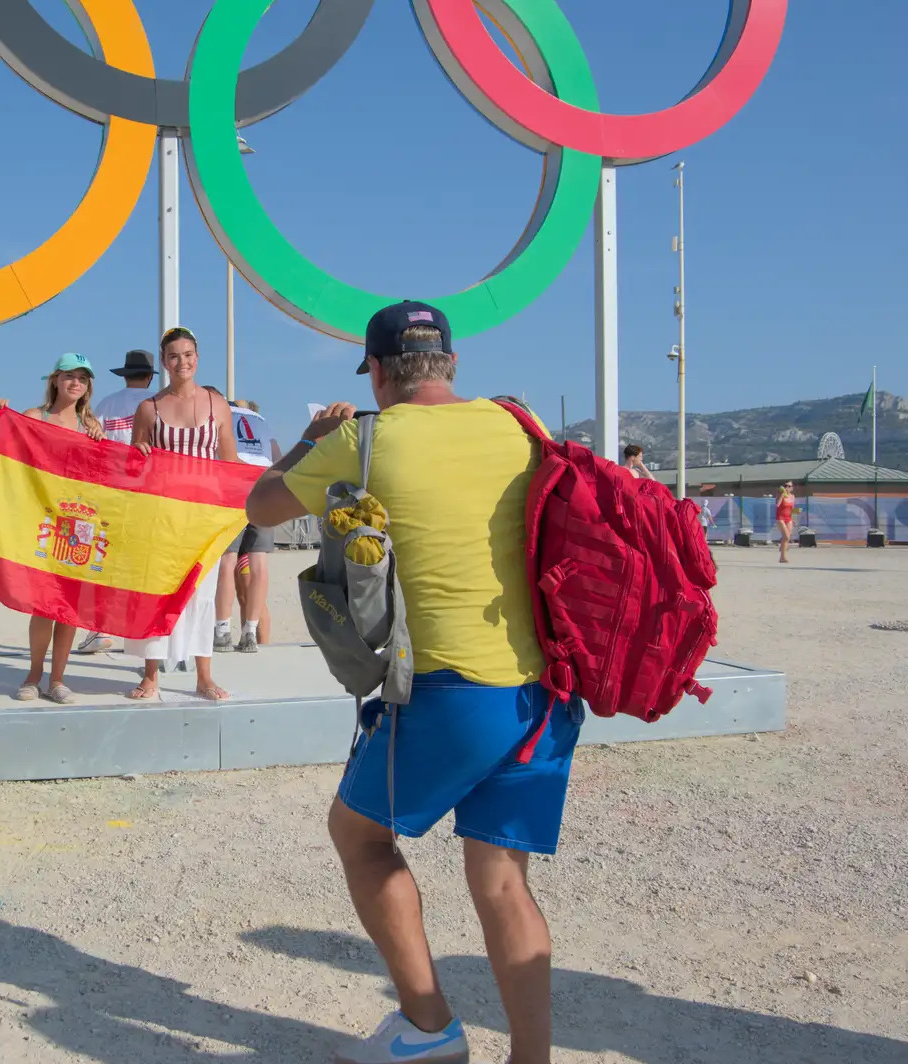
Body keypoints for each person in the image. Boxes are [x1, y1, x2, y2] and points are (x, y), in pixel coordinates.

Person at [246, 302, 581, 1064]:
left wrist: (311, 439)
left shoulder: (363, 438)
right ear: (452, 364)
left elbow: (259, 507)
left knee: (359, 835)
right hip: (543, 692)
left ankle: (428, 1026)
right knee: (501, 879)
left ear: (377, 371)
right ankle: (532, 1058)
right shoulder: (518, 424)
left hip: (448, 691)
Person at [0, 352, 107, 704]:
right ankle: (34, 674)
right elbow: (6, 451)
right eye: (69, 375)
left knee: (68, 606)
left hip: (80, 522)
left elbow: (102, 476)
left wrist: (100, 445)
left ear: (88, 387)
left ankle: (57, 679)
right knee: (43, 603)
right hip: (42, 519)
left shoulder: (91, 427)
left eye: (82, 378)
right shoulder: (33, 417)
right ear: (54, 379)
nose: (75, 383)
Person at [126, 327, 240, 701]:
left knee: (202, 595)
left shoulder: (216, 404)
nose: (182, 362)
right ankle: (150, 676)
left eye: (188, 354)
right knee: (158, 593)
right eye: (174, 356)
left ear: (198, 357)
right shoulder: (149, 408)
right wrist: (139, 458)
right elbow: (134, 463)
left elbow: (230, 461)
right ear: (164, 362)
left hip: (205, 515)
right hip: (162, 514)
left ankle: (203, 676)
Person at [71, 351, 157, 655]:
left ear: (125, 375)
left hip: (113, 492)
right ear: (149, 376)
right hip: (152, 494)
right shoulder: (160, 402)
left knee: (104, 562)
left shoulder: (107, 404)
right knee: (145, 565)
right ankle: (146, 631)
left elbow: (91, 446)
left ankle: (100, 629)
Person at [216, 398, 274, 653]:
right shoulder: (263, 427)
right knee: (259, 563)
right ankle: (250, 632)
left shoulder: (226, 418)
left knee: (228, 561)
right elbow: (280, 461)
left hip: (234, 489)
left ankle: (222, 630)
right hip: (263, 487)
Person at [776, 482, 795, 563]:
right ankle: (782, 557)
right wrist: (782, 495)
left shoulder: (793, 496)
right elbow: (777, 504)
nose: (787, 487)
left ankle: (782, 554)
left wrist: (793, 519)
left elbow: (792, 508)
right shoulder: (780, 495)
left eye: (789, 486)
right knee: (786, 537)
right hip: (780, 518)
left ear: (792, 488)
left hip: (789, 518)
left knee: (787, 537)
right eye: (785, 486)